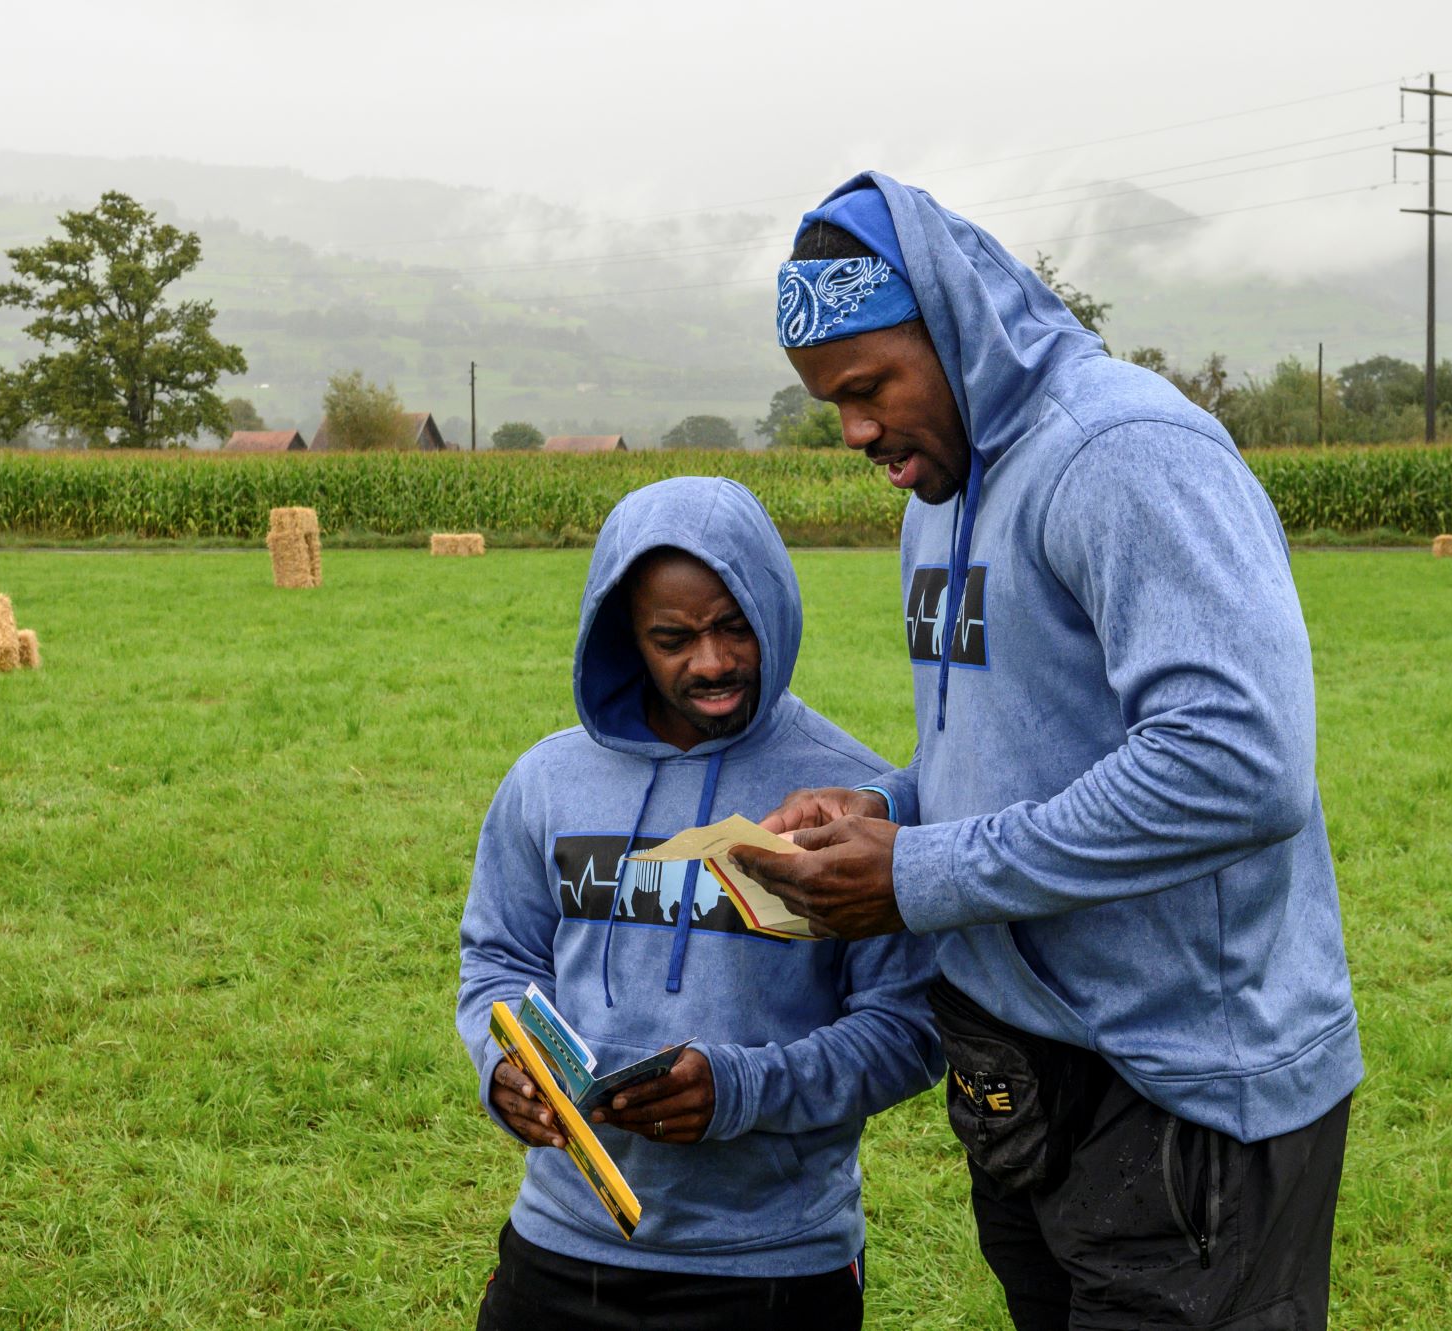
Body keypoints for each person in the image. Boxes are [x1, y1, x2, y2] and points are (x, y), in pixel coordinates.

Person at [734, 174, 1363, 1330]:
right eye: (831, 401)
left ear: (953, 323)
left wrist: (913, 873)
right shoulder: (940, 490)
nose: (855, 431)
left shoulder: (1120, 450)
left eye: (869, 388)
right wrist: (883, 810)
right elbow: (1007, 752)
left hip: (1179, 1088)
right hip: (1019, 1072)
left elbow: (1234, 759)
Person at [456, 476, 943, 1331]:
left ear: (775, 610)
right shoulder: (546, 781)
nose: (710, 662)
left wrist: (740, 1088)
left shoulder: (851, 799)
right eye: (673, 638)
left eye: (733, 626)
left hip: (772, 1264)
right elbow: (497, 958)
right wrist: (508, 1073)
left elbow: (909, 1029)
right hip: (563, 1242)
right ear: (625, 638)